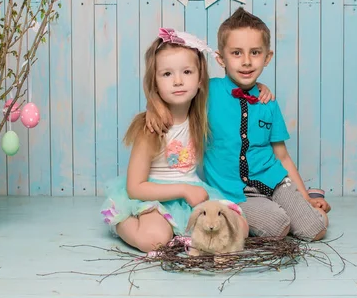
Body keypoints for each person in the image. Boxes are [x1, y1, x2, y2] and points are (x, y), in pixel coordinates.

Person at [147, 8, 330, 241]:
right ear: (220, 58)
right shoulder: (206, 93)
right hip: (235, 192)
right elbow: (175, 90)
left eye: (255, 53)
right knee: (277, 227)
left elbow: (282, 156)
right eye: (236, 53)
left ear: (267, 57)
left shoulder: (268, 102)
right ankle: (281, 212)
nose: (246, 62)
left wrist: (305, 198)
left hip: (275, 181)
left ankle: (305, 202)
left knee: (316, 229)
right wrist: (154, 109)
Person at [100, 28, 248, 253]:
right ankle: (120, 221)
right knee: (155, 241)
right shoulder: (151, 128)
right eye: (167, 74)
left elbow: (237, 90)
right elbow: (135, 188)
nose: (178, 81)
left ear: (200, 79)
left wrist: (262, 89)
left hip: (192, 191)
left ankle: (180, 232)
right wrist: (183, 190)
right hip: (153, 195)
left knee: (240, 227)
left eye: (187, 72)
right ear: (155, 82)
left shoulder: (201, 115)